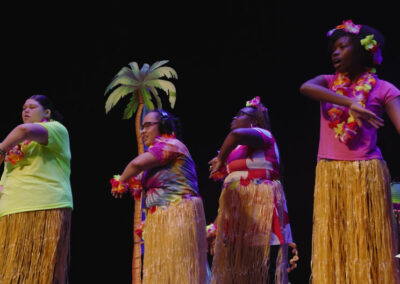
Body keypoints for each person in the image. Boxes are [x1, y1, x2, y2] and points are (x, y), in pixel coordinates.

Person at [300, 19, 400, 283]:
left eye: (343, 46)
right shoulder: (328, 82)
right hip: (330, 172)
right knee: (334, 239)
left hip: (366, 172)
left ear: (362, 50)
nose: (335, 52)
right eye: (334, 47)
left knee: (367, 238)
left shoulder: (383, 89)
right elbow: (306, 88)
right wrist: (349, 102)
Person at [110, 109, 208, 284]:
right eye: (142, 127)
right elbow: (141, 177)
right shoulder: (158, 155)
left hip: (177, 213)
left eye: (148, 126)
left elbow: (136, 164)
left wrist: (121, 181)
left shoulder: (171, 145)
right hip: (162, 216)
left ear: (163, 126)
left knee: (180, 269)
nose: (143, 131)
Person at [208, 96, 294, 283]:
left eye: (240, 115)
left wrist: (221, 158)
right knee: (239, 270)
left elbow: (235, 135)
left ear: (253, 121)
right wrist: (217, 225)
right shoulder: (237, 149)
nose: (234, 118)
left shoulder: (263, 134)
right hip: (239, 215)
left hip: (259, 209)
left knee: (262, 265)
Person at [0, 94, 73, 283]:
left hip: (44, 205)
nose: (25, 110)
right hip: (11, 209)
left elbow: (24, 130)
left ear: (47, 112)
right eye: (23, 107)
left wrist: (1, 149)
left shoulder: (57, 130)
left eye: (32, 107)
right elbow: (5, 178)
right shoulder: (15, 145)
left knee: (42, 273)